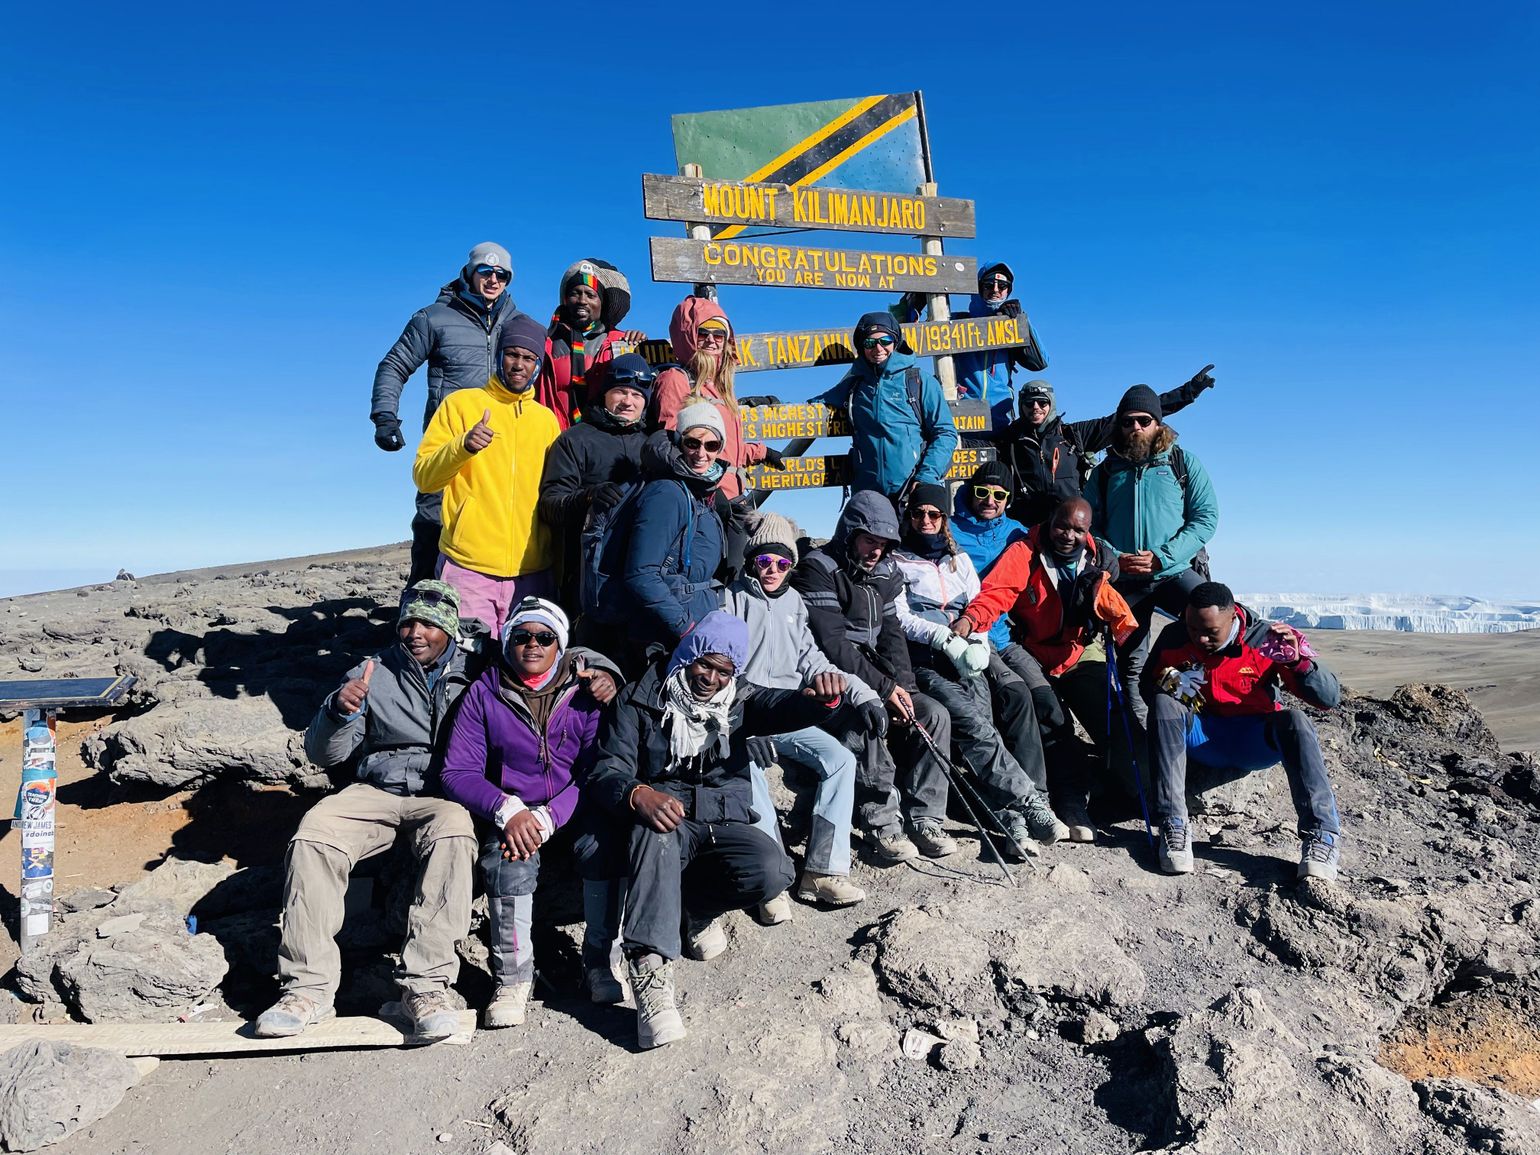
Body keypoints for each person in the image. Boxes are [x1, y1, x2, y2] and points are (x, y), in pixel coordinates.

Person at [581, 612, 845, 1048]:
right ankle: (651, 977)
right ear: (686, 655)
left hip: (720, 819)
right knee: (655, 829)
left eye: (725, 671)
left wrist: (820, 701)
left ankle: (694, 912)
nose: (712, 679)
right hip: (667, 819)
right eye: (705, 664)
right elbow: (608, 769)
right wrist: (636, 794)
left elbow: (781, 705)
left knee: (771, 869)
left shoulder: (738, 699)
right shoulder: (638, 698)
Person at [254, 581, 484, 1040]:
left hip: (443, 790)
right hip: (376, 787)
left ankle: (427, 986)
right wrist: (338, 711)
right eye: (408, 623)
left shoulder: (477, 670)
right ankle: (307, 989)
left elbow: (548, 658)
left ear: (450, 628)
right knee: (316, 832)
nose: (415, 633)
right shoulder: (372, 672)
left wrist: (594, 666)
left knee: (456, 832)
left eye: (428, 625)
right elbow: (325, 753)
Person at [438, 599, 624, 1027]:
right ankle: (513, 978)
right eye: (522, 636)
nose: (533, 645)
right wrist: (505, 808)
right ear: (508, 642)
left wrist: (552, 815)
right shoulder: (484, 694)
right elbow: (457, 771)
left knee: (605, 845)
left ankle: (601, 963)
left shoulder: (584, 695)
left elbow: (596, 769)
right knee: (508, 859)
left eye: (545, 637)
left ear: (561, 645)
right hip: (514, 811)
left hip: (573, 804)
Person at [891, 484, 1069, 857]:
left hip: (967, 659)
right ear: (908, 517)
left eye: (934, 514)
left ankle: (1014, 825)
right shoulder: (896, 562)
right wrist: (943, 637)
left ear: (944, 520)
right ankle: (1030, 802)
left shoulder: (960, 562)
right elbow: (901, 618)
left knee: (987, 723)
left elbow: (980, 606)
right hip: (926, 663)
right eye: (918, 513)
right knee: (974, 725)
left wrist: (975, 640)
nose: (926, 521)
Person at [724, 513, 885, 916]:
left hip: (789, 713)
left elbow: (811, 658)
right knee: (752, 775)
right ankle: (772, 881)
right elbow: (722, 669)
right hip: (744, 718)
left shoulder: (795, 602)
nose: (773, 570)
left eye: (782, 563)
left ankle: (823, 871)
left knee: (840, 760)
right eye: (764, 561)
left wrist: (863, 694)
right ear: (751, 561)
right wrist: (746, 724)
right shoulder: (730, 600)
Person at [953, 498, 1139, 834]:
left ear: (1088, 531)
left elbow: (1112, 572)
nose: (1068, 535)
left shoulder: (1097, 556)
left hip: (1078, 649)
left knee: (1111, 713)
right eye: (1061, 526)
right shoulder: (1025, 551)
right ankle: (1070, 803)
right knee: (1050, 714)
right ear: (1049, 521)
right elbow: (998, 592)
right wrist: (971, 619)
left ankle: (1145, 791)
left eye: (1078, 530)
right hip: (1034, 651)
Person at [791, 491, 955, 862]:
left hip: (877, 672)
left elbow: (892, 634)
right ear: (850, 534)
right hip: (828, 676)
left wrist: (905, 689)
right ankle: (882, 824)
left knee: (933, 715)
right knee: (868, 716)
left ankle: (926, 818)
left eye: (882, 544)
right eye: (869, 541)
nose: (875, 551)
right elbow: (832, 642)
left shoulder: (884, 572)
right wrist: (883, 690)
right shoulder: (819, 568)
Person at [1140, 582, 1343, 881]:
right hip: (1203, 736)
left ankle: (1322, 836)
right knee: (1163, 704)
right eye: (1193, 628)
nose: (1200, 638)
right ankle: (1173, 825)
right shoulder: (1174, 637)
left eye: (1211, 632)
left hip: (1253, 741)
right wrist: (1172, 683)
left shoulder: (1266, 639)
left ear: (1233, 617)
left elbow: (1328, 699)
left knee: (1295, 721)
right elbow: (1148, 686)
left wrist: (1299, 662)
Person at [371, 243, 521, 584]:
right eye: (486, 271)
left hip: (499, 448)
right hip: (447, 441)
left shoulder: (516, 323)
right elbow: (394, 365)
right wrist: (385, 415)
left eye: (502, 274)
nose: (494, 279)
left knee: (494, 528)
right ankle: (418, 607)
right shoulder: (434, 318)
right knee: (432, 523)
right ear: (469, 272)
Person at [412, 314, 560, 636]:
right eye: (512, 354)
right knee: (466, 668)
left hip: (532, 571)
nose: (519, 364)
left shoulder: (547, 421)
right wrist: (462, 446)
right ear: (498, 356)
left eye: (528, 357)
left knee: (520, 673)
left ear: (537, 365)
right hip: (468, 568)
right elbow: (425, 477)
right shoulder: (461, 405)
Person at [1086, 385, 1219, 726]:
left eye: (1144, 420)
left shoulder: (1181, 462)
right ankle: (1140, 726)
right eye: (1128, 422)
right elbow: (1090, 526)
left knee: (1209, 622)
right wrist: (1115, 557)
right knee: (1131, 659)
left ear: (1158, 424)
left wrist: (1162, 556)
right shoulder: (1104, 473)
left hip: (1172, 572)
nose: (1135, 428)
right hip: (1126, 579)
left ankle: (1203, 714)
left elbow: (1205, 517)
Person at [997, 368, 1216, 527]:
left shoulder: (1074, 435)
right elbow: (978, 446)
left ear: (1051, 404)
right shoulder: (1009, 442)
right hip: (1027, 531)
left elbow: (1137, 413)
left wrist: (1187, 393)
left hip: (1072, 533)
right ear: (1021, 406)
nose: (1036, 407)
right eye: (1029, 403)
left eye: (1042, 402)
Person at [537, 353, 654, 608]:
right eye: (620, 391)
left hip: (640, 575)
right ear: (604, 394)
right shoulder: (575, 439)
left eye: (637, 395)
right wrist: (588, 497)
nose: (628, 401)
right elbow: (549, 506)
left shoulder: (652, 445)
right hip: (585, 577)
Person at [617, 402, 731, 661]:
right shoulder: (668, 493)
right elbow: (641, 574)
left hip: (687, 624)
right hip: (663, 637)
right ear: (680, 442)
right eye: (693, 443)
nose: (702, 453)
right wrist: (686, 628)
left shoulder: (699, 492)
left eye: (711, 446)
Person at [650, 296, 785, 501]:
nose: (712, 340)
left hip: (733, 494)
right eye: (703, 333)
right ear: (688, 336)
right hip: (704, 498)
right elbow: (673, 448)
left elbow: (726, 449)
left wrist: (762, 452)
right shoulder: (676, 381)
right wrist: (706, 494)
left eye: (719, 335)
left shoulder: (721, 389)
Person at [815, 312, 958, 502]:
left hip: (911, 491)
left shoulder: (918, 381)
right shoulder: (854, 385)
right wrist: (770, 403)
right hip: (868, 497)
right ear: (861, 347)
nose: (878, 348)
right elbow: (816, 405)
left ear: (895, 341)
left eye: (885, 340)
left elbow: (946, 433)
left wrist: (926, 477)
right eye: (869, 343)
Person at [893, 259, 1048, 430]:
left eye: (1002, 286)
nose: (995, 290)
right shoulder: (955, 323)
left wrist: (1021, 320)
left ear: (1008, 291)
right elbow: (899, 339)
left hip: (1000, 424)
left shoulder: (1011, 329)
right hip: (960, 423)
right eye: (989, 285)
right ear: (978, 288)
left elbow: (1039, 362)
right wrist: (914, 303)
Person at [536, 259, 644, 430]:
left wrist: (639, 350)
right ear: (565, 299)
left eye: (590, 295)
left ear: (602, 303)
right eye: (575, 293)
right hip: (553, 439)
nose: (582, 300)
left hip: (602, 442)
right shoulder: (545, 343)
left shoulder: (621, 344)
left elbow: (640, 391)